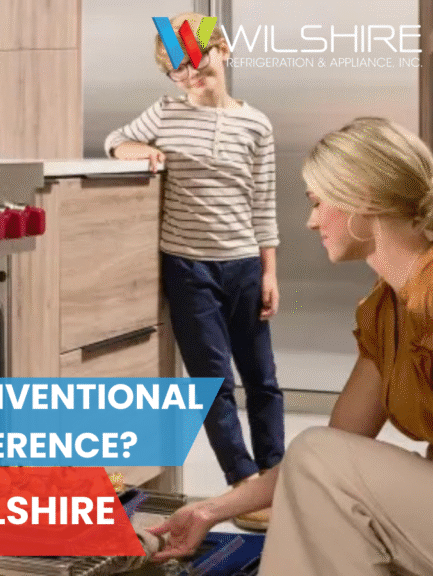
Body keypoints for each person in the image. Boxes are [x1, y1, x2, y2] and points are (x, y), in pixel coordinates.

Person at [148, 116, 433, 576]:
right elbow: (335, 450)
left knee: (317, 458)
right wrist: (210, 509)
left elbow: (320, 457)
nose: (311, 220)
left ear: (361, 197)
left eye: (318, 203)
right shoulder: (385, 311)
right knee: (320, 467)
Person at [104, 12, 284, 530]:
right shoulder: (164, 113)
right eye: (176, 70)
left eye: (195, 62)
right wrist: (140, 150)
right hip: (187, 267)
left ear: (222, 51)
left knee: (263, 378)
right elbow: (115, 139)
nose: (187, 77)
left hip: (244, 264)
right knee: (212, 381)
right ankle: (244, 484)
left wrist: (270, 271)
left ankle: (276, 472)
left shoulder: (257, 123)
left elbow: (264, 201)